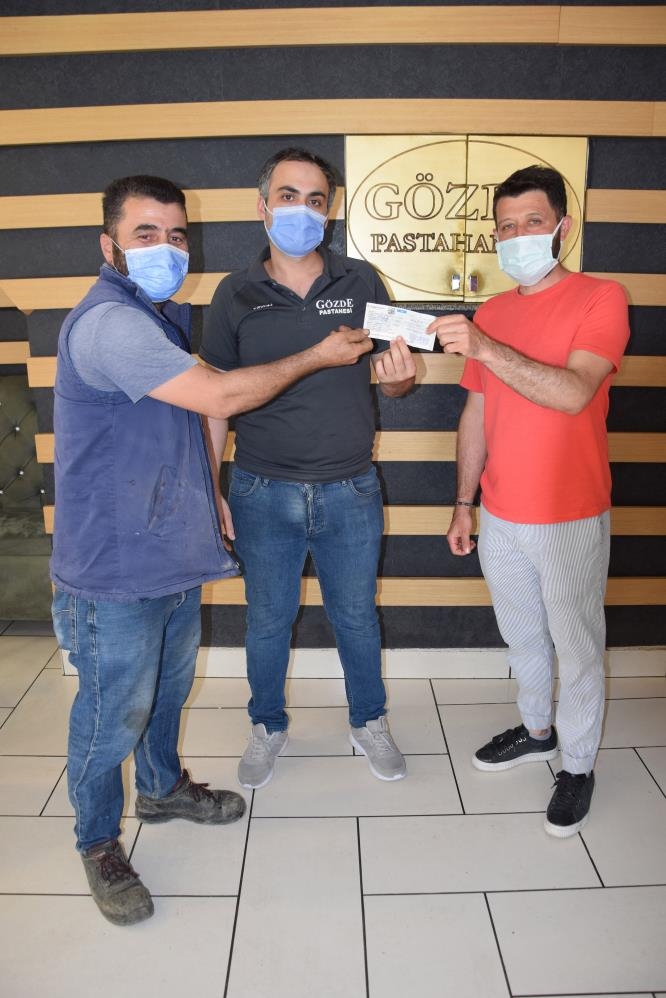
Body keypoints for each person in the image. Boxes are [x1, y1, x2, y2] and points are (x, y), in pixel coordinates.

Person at [50, 174, 374, 926]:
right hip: (113, 567)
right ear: (108, 246)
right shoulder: (112, 325)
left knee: (166, 693)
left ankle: (161, 789)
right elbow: (220, 398)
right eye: (145, 235)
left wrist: (207, 492)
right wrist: (317, 356)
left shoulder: (159, 316)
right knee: (110, 713)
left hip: (169, 546)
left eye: (176, 235)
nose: (165, 248)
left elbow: (176, 424)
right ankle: (97, 841)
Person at [200, 148, 416, 790]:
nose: (302, 209)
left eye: (315, 199)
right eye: (288, 196)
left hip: (350, 487)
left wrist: (401, 379)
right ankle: (266, 725)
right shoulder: (233, 293)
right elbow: (215, 400)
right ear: (262, 206)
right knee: (267, 620)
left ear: (330, 211)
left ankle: (368, 720)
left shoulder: (361, 281)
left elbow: (393, 380)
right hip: (261, 489)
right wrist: (211, 488)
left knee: (357, 616)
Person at [428, 165, 629, 838]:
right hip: (500, 512)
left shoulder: (602, 298)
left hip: (570, 512)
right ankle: (539, 731)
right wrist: (464, 502)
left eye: (532, 222)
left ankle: (577, 765)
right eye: (506, 226)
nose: (517, 237)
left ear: (562, 227)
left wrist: (487, 347)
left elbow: (574, 393)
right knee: (523, 635)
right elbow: (476, 414)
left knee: (577, 644)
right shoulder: (492, 311)